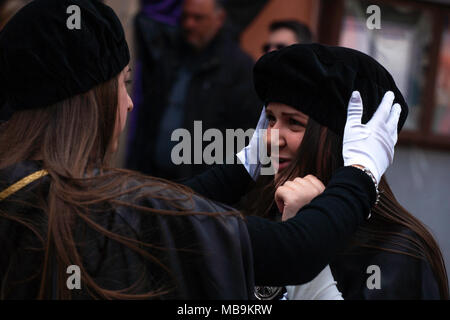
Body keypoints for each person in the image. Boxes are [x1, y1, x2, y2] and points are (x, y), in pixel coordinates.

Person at [0, 0, 397, 299]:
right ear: (87, 100)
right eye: (122, 84)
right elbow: (291, 250)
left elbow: (159, 210)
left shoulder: (25, 185)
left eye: (294, 122)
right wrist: (360, 174)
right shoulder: (80, 206)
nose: (129, 103)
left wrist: (241, 168)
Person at [236, 43, 448, 300]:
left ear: (346, 142)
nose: (270, 138)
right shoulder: (261, 211)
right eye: (271, 119)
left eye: (293, 122)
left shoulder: (395, 253)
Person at [126, 0, 261, 180]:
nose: (189, 24)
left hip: (199, 186)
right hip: (151, 177)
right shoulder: (168, 55)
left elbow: (245, 136)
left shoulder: (238, 68)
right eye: (185, 17)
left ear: (219, 19)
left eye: (198, 18)